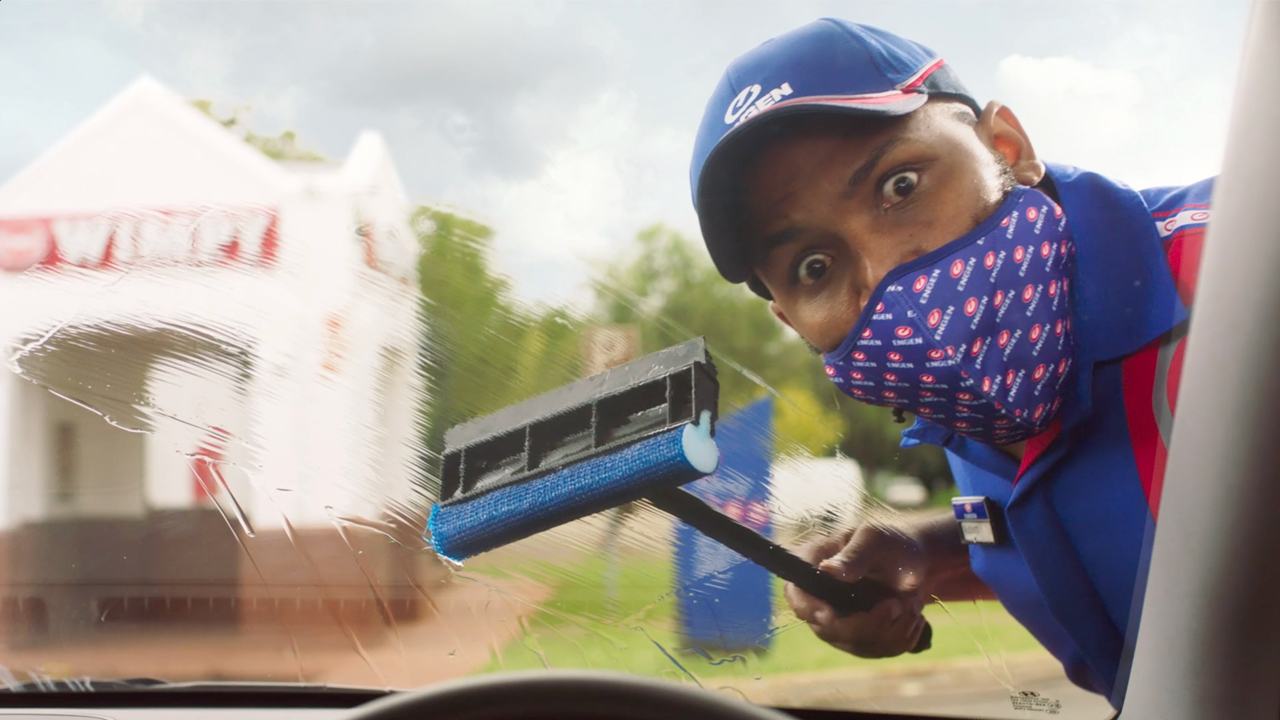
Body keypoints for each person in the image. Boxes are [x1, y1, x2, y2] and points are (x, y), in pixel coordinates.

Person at [688, 18, 1212, 707]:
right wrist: (929, 554)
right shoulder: (974, 394)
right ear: (791, 321)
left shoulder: (1233, 268)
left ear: (1008, 147)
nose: (886, 276)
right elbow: (1060, 504)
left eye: (900, 187)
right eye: (814, 266)